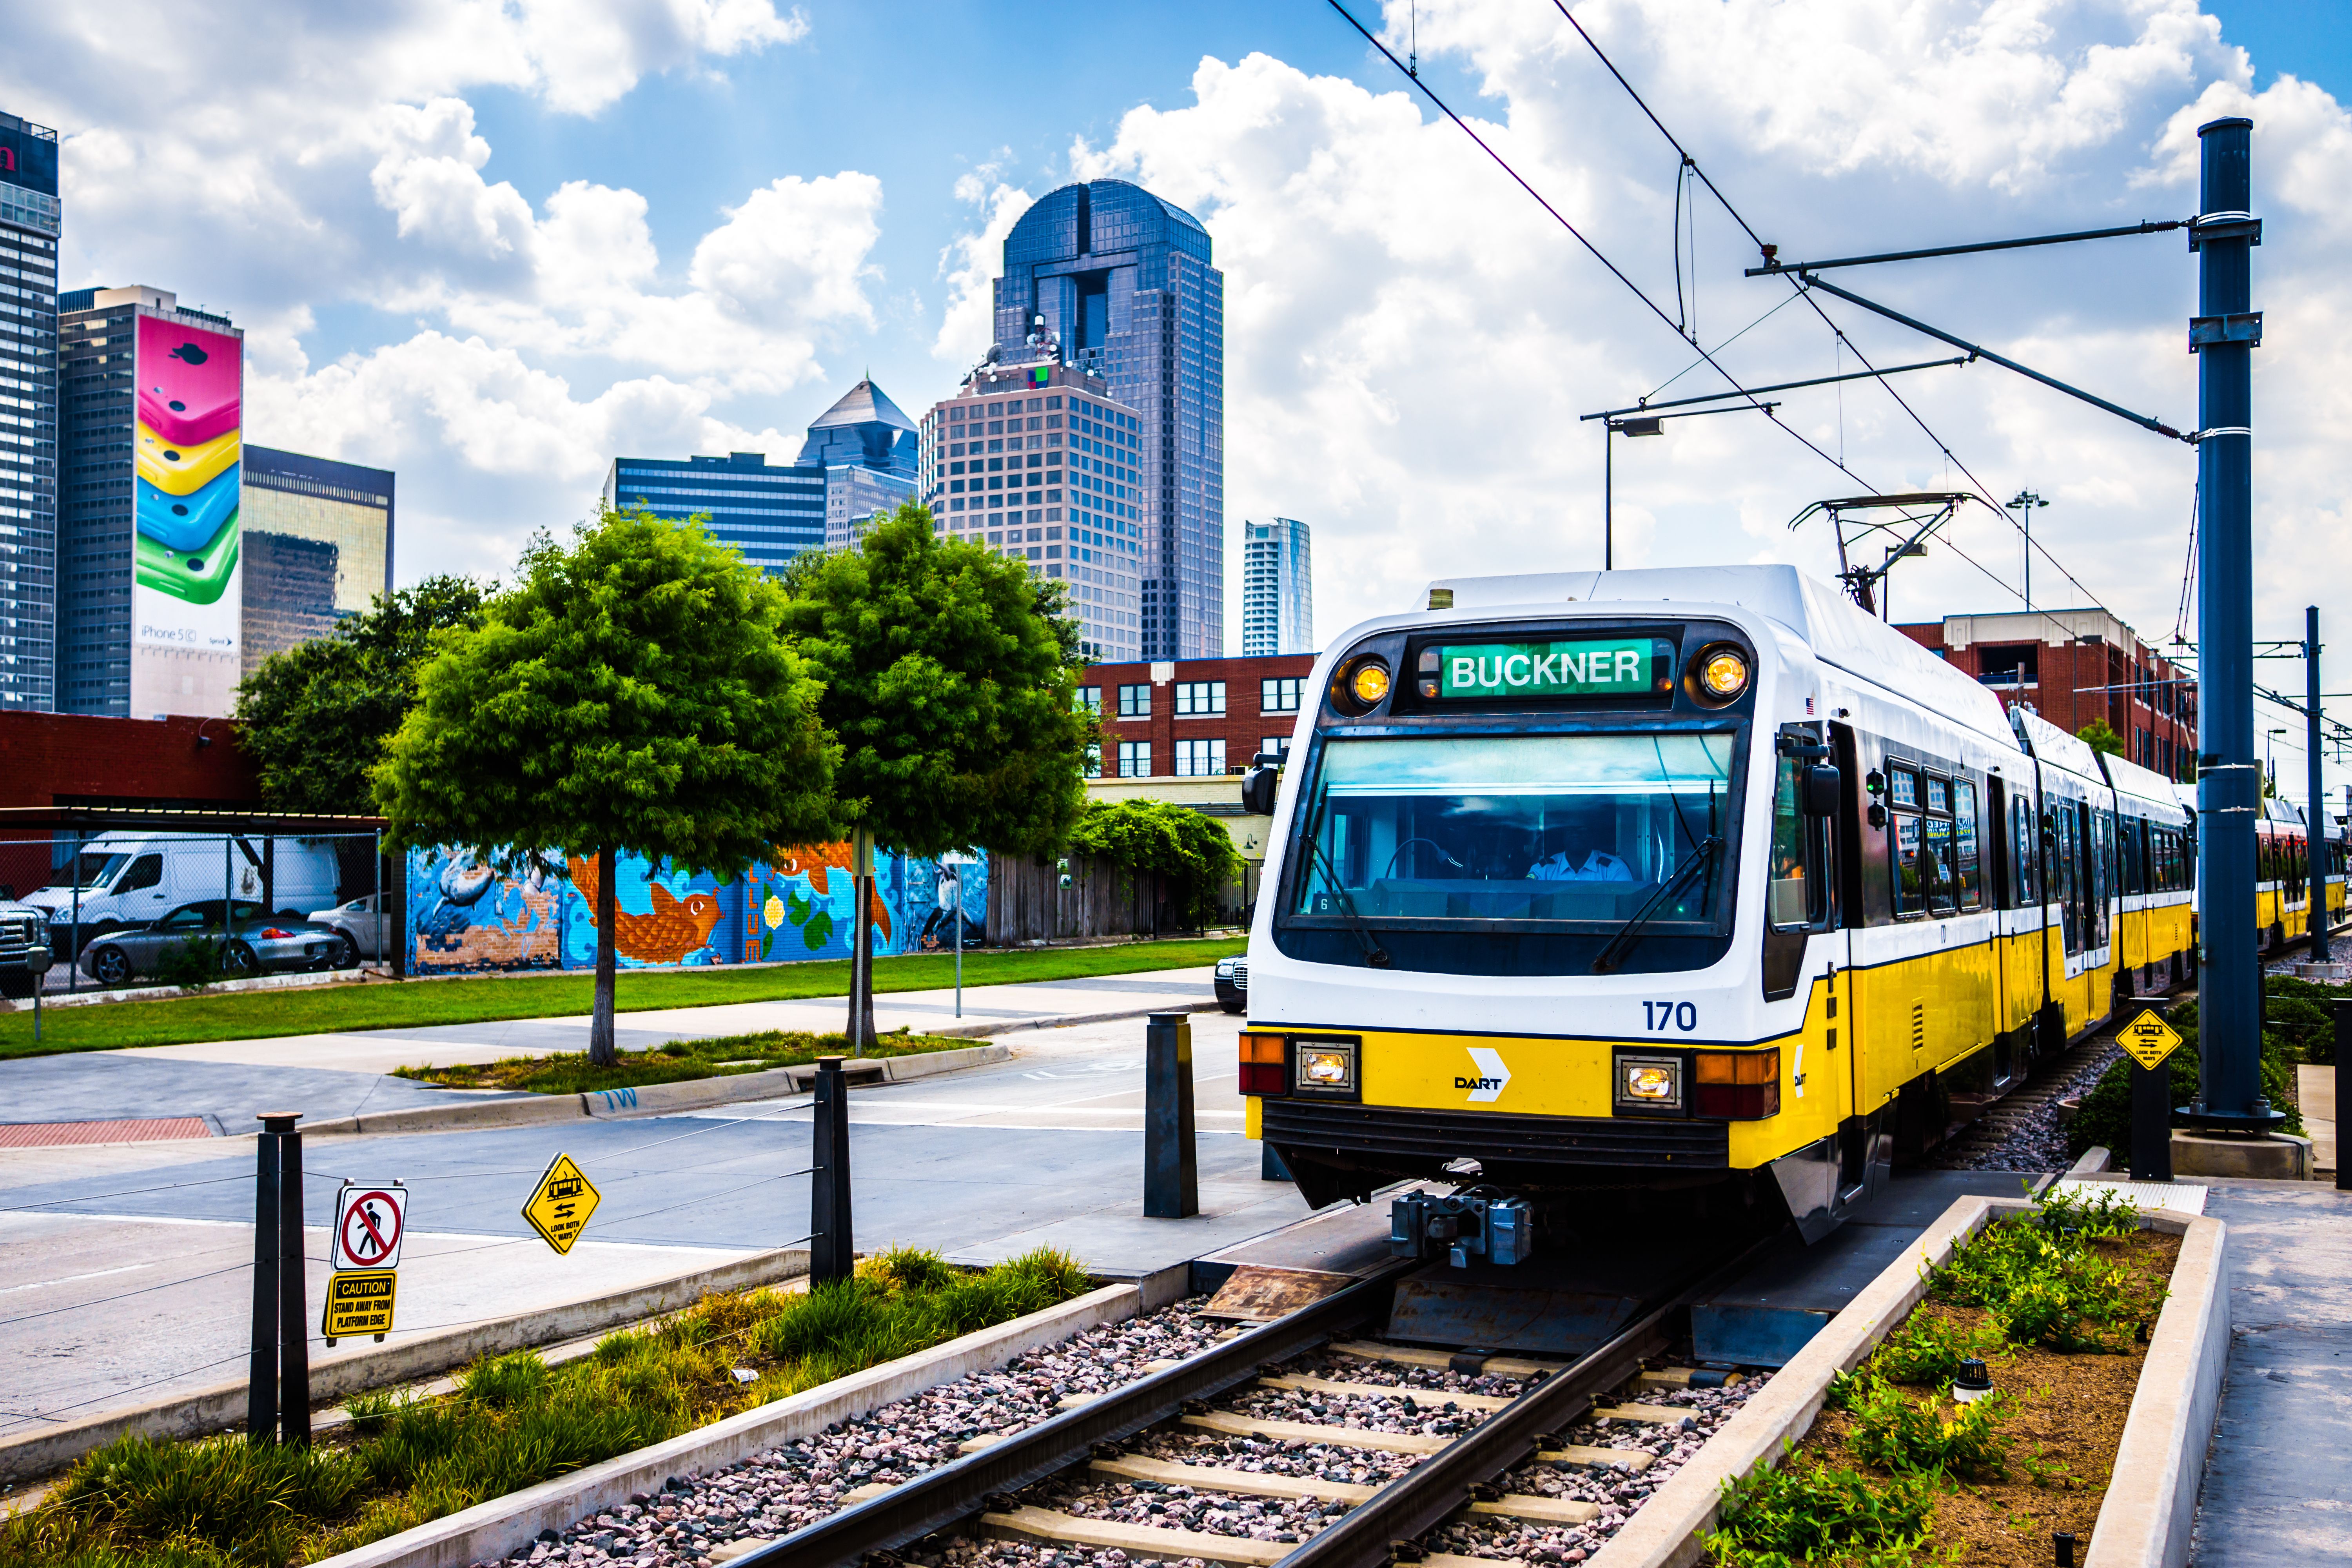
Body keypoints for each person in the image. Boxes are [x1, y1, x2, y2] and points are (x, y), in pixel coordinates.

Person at [1528, 842, 1633, 881]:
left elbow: (1626, 912)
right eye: (1571, 829)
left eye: (1582, 829)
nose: (1576, 834)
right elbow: (1527, 906)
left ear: (1592, 834)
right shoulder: (1543, 870)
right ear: (1564, 835)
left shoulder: (1615, 868)